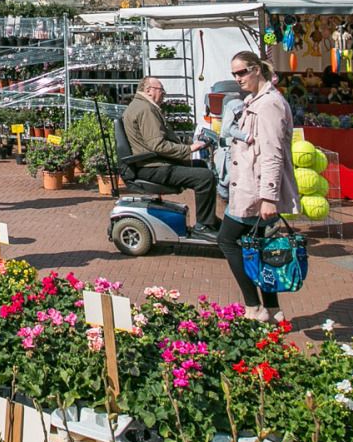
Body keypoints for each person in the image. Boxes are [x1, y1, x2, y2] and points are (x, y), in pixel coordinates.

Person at [217, 51, 301, 322]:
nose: (238, 79)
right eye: (234, 74)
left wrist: (269, 196)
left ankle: (254, 306)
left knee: (227, 240)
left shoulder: (269, 105)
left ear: (256, 70)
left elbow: (272, 152)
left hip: (255, 191)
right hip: (249, 186)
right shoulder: (254, 100)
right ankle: (272, 309)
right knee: (261, 247)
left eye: (241, 72)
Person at [122, 77, 220, 241]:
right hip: (153, 167)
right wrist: (188, 148)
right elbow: (157, 145)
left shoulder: (141, 106)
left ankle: (208, 220)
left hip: (152, 163)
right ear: (149, 90)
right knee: (205, 177)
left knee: (201, 166)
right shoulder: (146, 109)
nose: (164, 95)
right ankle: (202, 226)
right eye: (161, 90)